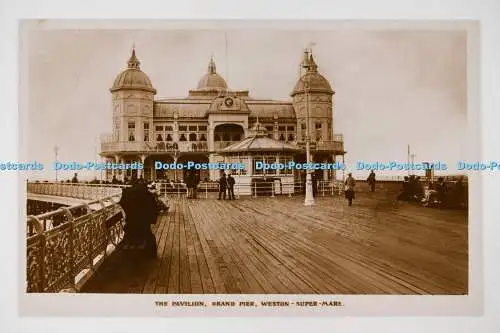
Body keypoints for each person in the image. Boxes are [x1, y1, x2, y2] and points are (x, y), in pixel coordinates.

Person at [119, 176, 158, 258]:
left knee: (131, 230)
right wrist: (151, 219)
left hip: (131, 222)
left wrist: (128, 213)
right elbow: (153, 207)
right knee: (145, 231)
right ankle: (147, 251)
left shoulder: (128, 193)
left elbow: (122, 203)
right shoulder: (146, 194)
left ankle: (132, 247)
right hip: (143, 222)